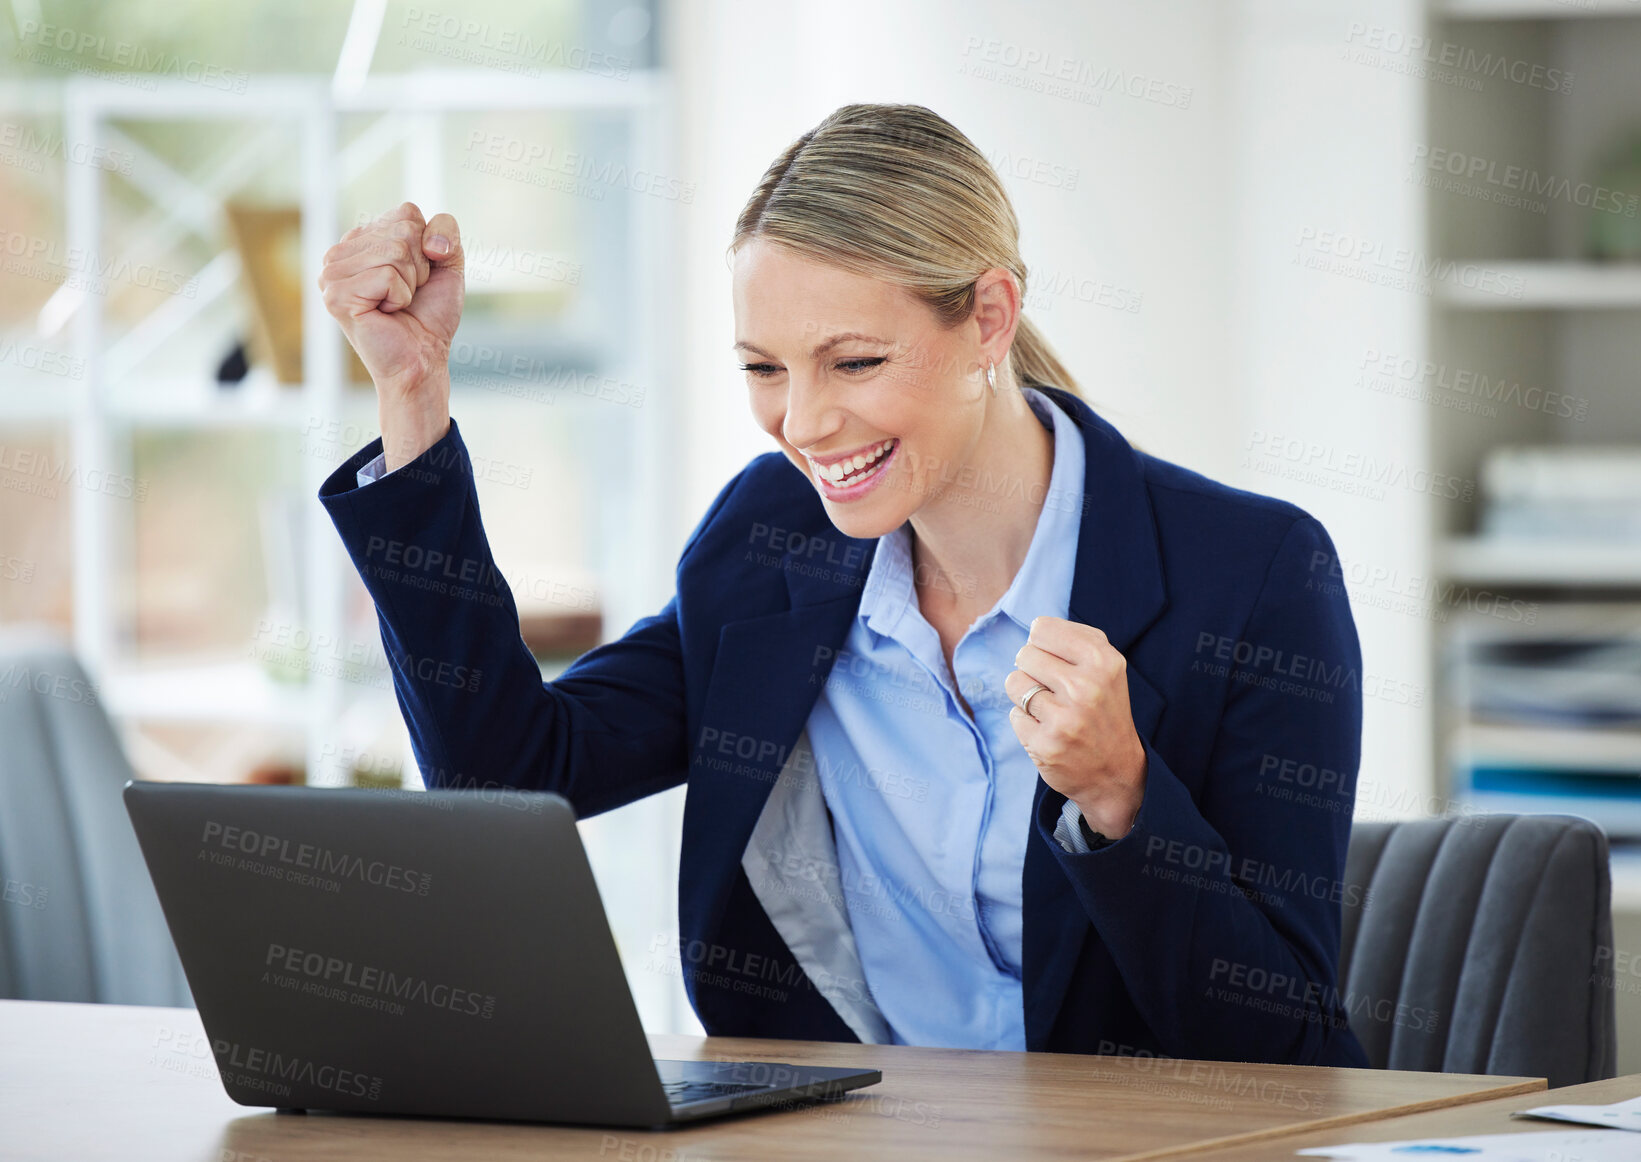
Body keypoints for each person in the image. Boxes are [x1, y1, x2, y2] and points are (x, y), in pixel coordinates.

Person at [316, 103, 1368, 1065]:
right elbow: (503, 775)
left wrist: (1120, 795)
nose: (805, 423)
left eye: (853, 363)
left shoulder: (1254, 578)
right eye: (764, 368)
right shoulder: (769, 543)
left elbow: (1291, 1057)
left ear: (990, 319)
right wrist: (411, 392)